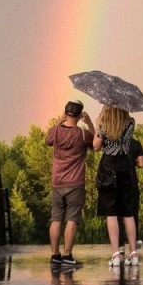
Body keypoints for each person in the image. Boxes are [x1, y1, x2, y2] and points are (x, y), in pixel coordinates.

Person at [46, 100, 96, 266]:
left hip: (57, 183)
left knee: (56, 218)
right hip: (75, 183)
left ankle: (55, 255)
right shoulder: (82, 134)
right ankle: (67, 256)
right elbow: (96, 144)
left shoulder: (56, 131)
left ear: (66, 113)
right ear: (80, 114)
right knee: (72, 219)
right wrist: (89, 123)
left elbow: (47, 140)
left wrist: (59, 121)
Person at [93, 105, 139, 267]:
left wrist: (99, 122)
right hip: (125, 166)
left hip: (108, 167)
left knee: (111, 212)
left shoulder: (104, 124)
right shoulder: (131, 122)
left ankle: (116, 255)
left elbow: (96, 146)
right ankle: (133, 253)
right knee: (127, 212)